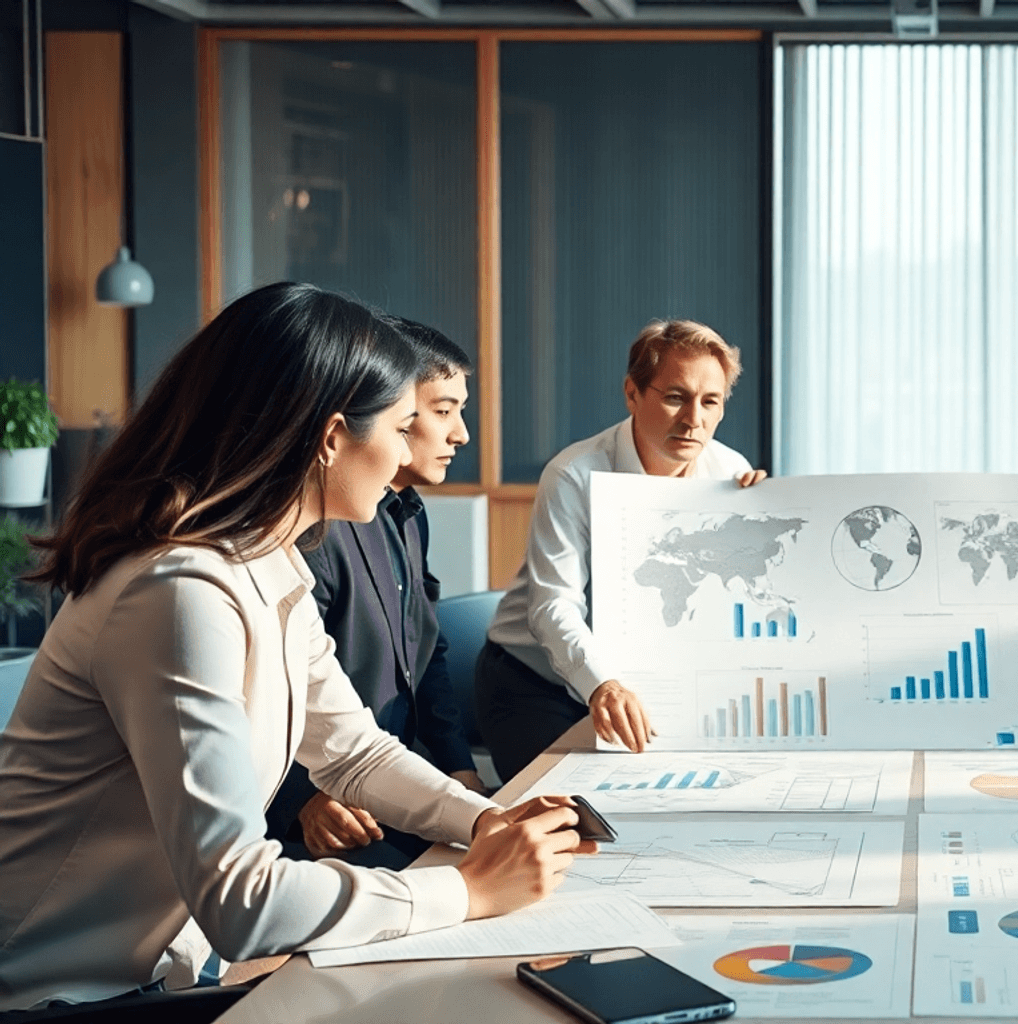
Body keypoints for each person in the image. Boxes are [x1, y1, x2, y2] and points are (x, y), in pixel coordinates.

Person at [0, 283, 592, 1012]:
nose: (411, 451)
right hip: (58, 997)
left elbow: (353, 752)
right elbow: (242, 900)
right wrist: (466, 889)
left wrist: (484, 822)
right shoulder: (179, 593)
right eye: (404, 427)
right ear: (333, 438)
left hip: (164, 973)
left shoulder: (266, 564)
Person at [476, 319, 766, 782]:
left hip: (648, 681)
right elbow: (554, 608)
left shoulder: (730, 472)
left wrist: (758, 516)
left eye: (710, 402)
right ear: (633, 393)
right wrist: (603, 685)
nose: (694, 419)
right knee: (577, 813)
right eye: (675, 397)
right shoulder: (573, 474)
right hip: (535, 684)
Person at [264, 316, 485, 870]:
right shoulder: (307, 534)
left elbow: (425, 656)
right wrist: (303, 800)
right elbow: (280, 702)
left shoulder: (405, 515)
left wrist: (461, 773)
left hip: (386, 778)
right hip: (327, 808)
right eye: (438, 411)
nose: (460, 434)